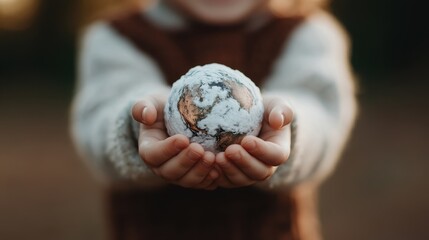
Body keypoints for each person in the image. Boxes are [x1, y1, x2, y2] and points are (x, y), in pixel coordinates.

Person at [71, 0, 357, 239]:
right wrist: (140, 125)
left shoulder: (307, 35)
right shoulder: (117, 37)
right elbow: (99, 121)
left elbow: (323, 118)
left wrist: (285, 126)